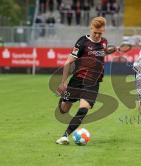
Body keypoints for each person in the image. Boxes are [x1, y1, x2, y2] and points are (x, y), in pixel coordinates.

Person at [56, 16, 108, 145]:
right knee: (64, 109)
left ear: (103, 31)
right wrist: (63, 83)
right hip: (77, 80)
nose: (97, 35)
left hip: (93, 83)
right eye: (95, 32)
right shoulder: (82, 42)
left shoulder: (104, 42)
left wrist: (109, 51)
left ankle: (65, 135)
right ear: (91, 28)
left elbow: (101, 53)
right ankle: (63, 99)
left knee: (84, 108)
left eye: (99, 33)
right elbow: (68, 62)